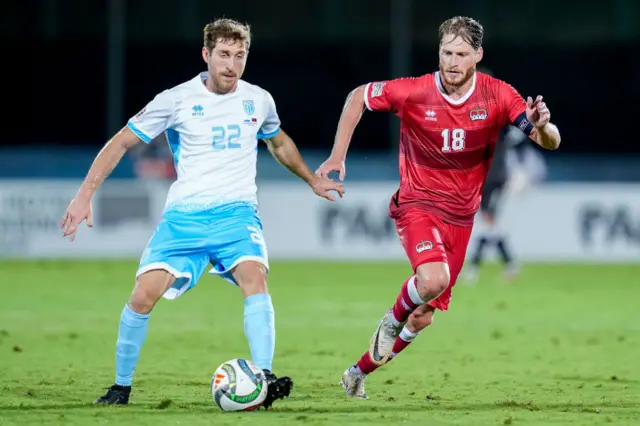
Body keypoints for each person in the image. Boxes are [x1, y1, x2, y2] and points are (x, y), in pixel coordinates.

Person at [60, 18, 343, 408]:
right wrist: (84, 194)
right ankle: (120, 387)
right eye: (224, 55)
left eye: (240, 56)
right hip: (184, 218)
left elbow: (278, 143)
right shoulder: (175, 100)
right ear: (206, 54)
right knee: (142, 296)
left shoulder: (258, 99)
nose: (232, 64)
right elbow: (122, 142)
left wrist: (311, 179)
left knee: (254, 279)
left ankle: (264, 378)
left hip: (237, 214)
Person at [316, 16, 560, 399]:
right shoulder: (414, 92)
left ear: (477, 55)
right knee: (430, 281)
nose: (452, 61)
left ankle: (357, 373)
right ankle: (391, 319)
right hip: (418, 203)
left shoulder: (498, 95)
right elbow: (358, 97)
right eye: (447, 52)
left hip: (462, 218)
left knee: (424, 315)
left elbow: (550, 141)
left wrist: (542, 126)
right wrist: (337, 156)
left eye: (462, 54)